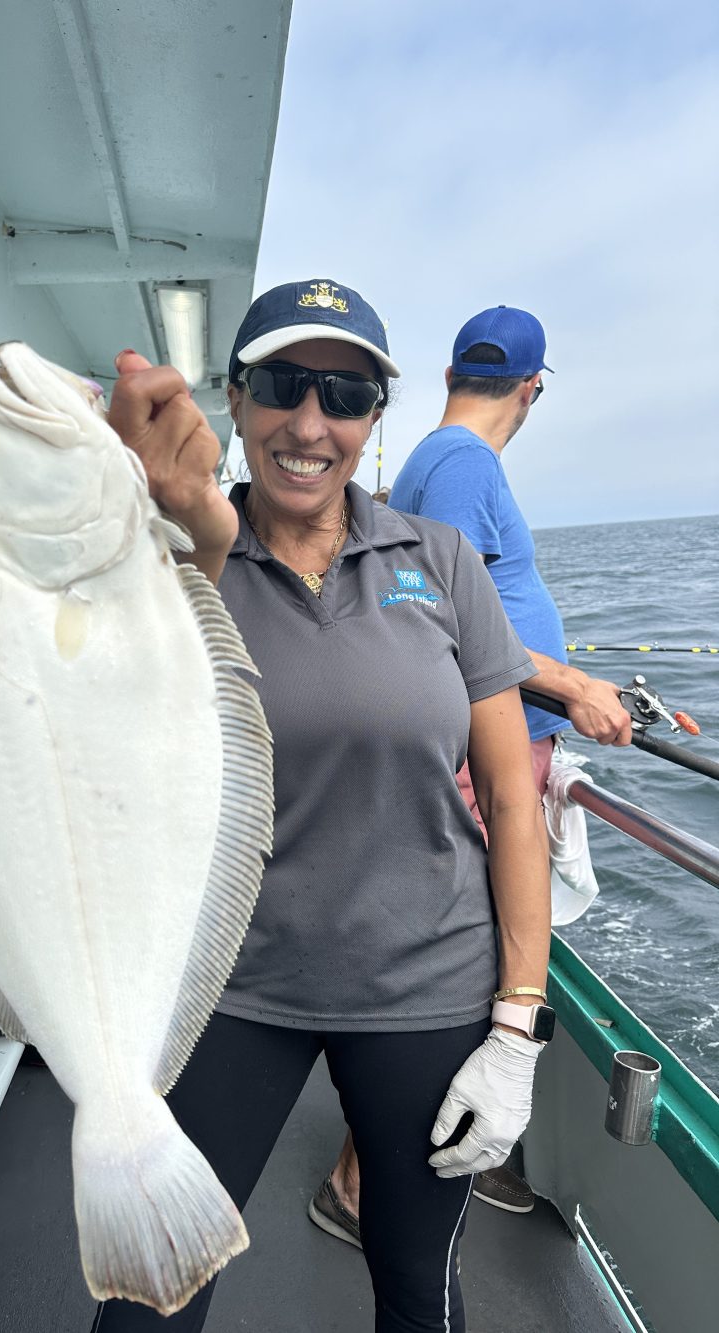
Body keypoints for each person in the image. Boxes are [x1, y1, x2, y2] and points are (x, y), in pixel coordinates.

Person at [97, 279, 553, 1333]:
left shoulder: (437, 561)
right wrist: (195, 534)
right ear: (235, 397)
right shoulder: (173, 559)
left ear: (375, 419)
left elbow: (507, 800)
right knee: (149, 1296)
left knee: (417, 1291)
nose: (310, 423)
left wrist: (516, 1024)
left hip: (425, 988)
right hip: (232, 985)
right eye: (283, 386)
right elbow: (132, 737)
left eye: (344, 396)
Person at [310, 305, 632, 1240]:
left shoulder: (434, 461)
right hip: (478, 761)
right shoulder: (460, 465)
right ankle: (365, 1178)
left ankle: (430, 1149)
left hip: (488, 751)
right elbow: (452, 617)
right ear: (532, 389)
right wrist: (573, 683)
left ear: (456, 371)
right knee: (462, 970)